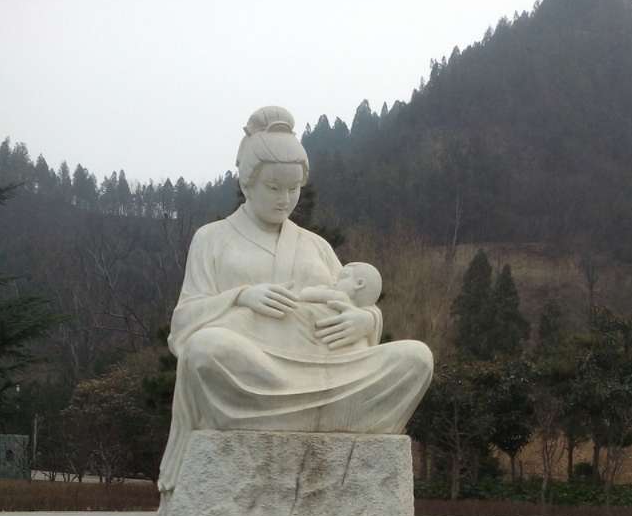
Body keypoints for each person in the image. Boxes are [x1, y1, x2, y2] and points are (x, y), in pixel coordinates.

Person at [158, 105, 433, 491]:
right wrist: (242, 296)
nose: (285, 199)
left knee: (417, 358)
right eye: (274, 188)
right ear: (247, 183)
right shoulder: (212, 239)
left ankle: (314, 415)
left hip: (329, 369)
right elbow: (183, 326)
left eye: (294, 188)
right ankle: (311, 414)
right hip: (257, 369)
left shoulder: (315, 245)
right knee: (205, 350)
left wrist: (367, 320)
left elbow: (355, 299)